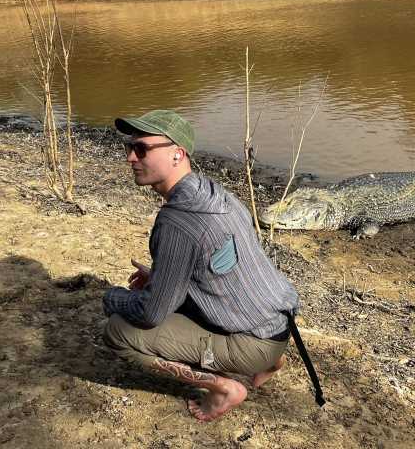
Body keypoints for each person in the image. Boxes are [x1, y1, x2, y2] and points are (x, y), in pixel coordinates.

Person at [102, 109, 299, 422]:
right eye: (129, 147)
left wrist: (112, 297)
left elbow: (151, 313)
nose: (130, 158)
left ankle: (224, 389)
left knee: (117, 331)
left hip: (253, 343)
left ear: (178, 154)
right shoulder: (216, 195)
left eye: (141, 149)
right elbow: (225, 269)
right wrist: (161, 278)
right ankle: (270, 363)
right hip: (279, 326)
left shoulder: (178, 221)